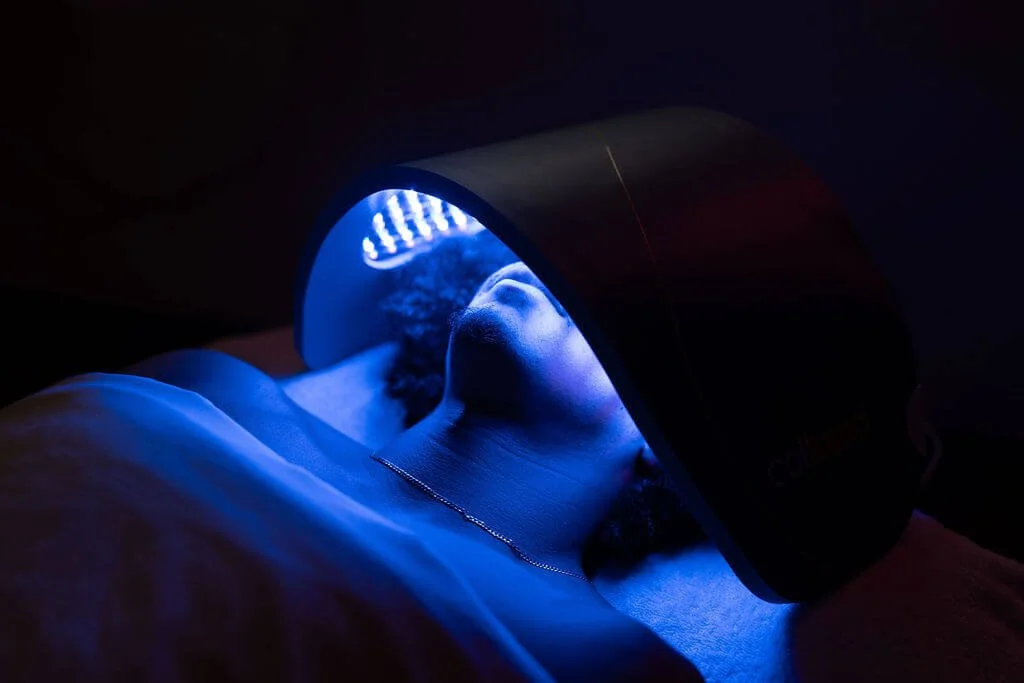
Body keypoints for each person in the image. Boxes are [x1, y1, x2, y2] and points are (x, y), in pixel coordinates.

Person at [1, 259, 1021, 682]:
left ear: (680, 439)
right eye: (534, 248)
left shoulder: (580, 650)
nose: (536, 266)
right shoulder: (211, 388)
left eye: (613, 309)